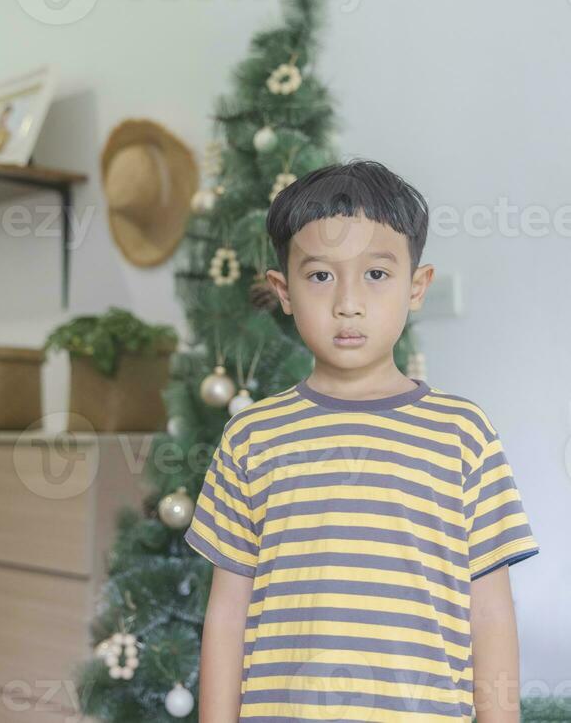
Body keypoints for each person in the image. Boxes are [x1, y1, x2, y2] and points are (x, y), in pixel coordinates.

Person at [184, 158, 539, 723]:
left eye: (376, 274)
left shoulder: (463, 435)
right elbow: (227, 614)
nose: (348, 302)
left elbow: (491, 613)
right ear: (284, 290)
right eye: (320, 275)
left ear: (417, 286)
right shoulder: (251, 438)